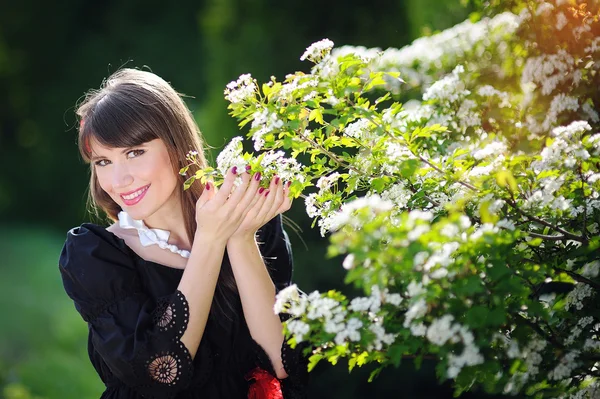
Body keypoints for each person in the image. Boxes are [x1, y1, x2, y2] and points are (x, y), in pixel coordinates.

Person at [58, 68, 309, 399]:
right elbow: (161, 371)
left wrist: (240, 237)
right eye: (103, 161)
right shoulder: (95, 255)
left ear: (176, 145)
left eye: (135, 153)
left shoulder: (250, 223)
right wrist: (211, 238)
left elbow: (284, 365)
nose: (119, 180)